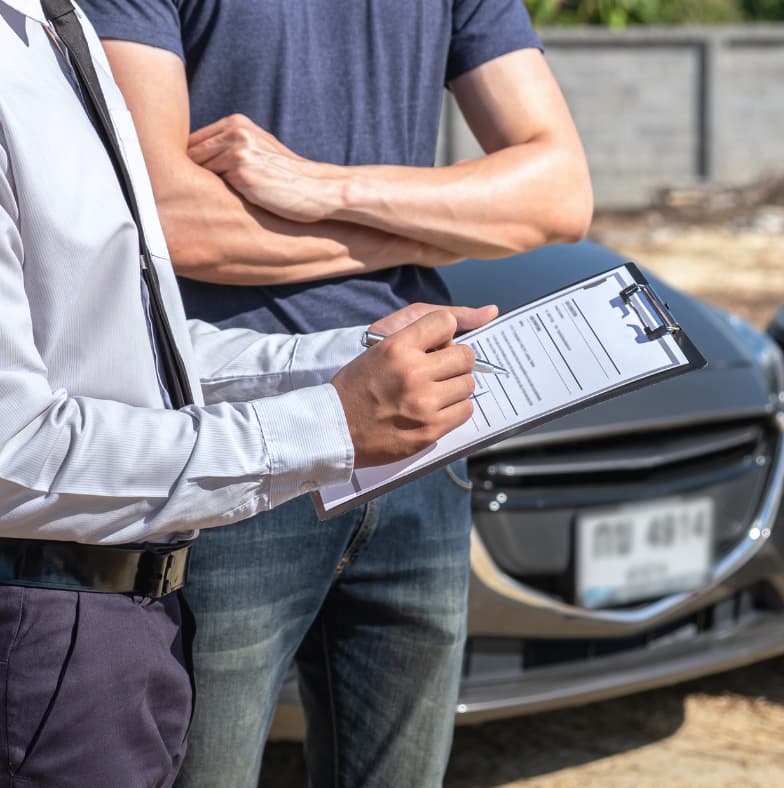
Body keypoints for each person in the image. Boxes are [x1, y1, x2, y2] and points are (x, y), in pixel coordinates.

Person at [81, 1, 593, 785]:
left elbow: (558, 196)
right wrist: (443, 223)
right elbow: (163, 215)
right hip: (236, 434)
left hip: (426, 429)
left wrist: (323, 188)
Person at [0, 1, 496, 786]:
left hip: (126, 612)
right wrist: (329, 421)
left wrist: (344, 356)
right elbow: (13, 451)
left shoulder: (54, 30)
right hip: (51, 610)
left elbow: (131, 350)